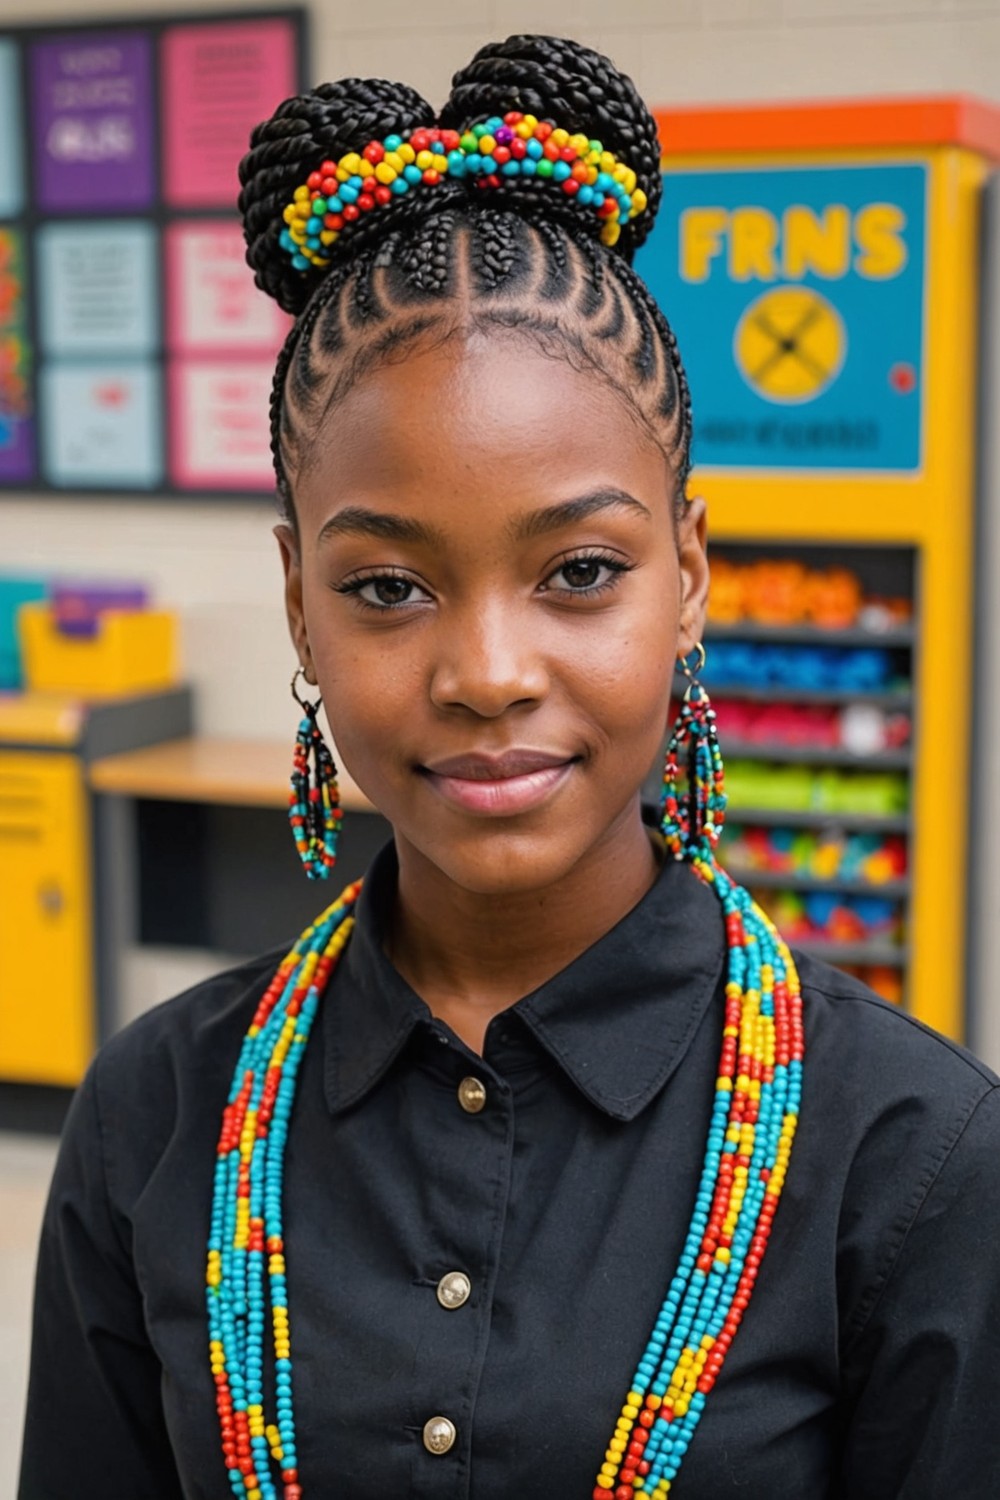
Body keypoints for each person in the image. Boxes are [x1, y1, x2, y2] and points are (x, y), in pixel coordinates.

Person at [19, 34, 1000, 1500]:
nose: (485, 672)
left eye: (581, 570)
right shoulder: (158, 1117)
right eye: (388, 590)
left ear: (690, 575)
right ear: (300, 601)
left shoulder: (909, 1157)